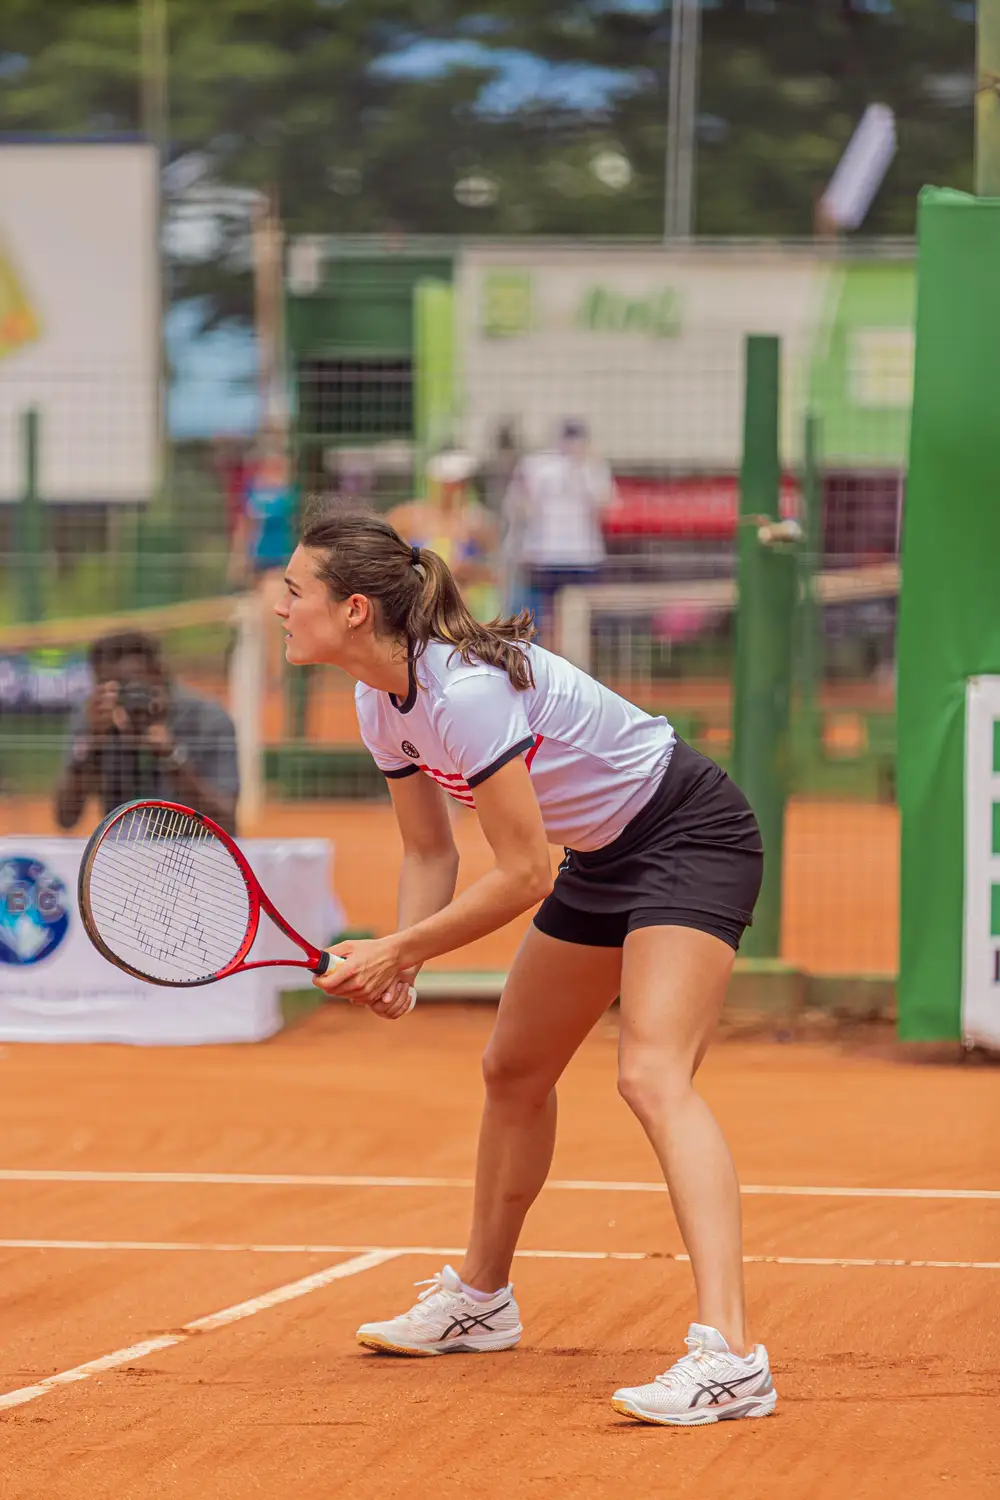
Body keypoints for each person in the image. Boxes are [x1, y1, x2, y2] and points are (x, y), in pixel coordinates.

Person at [275, 510, 775, 1428]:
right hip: (605, 852)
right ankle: (481, 1299)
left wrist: (397, 949)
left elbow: (523, 871)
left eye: (293, 590)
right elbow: (431, 853)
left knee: (652, 1073)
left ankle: (732, 1355)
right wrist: (401, 962)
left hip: (688, 833)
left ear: (352, 610)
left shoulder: (462, 692)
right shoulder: (376, 699)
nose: (280, 605)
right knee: (513, 1069)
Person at [54, 631, 239, 835]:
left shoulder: (207, 719)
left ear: (159, 676)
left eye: (133, 688)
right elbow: (66, 818)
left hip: (197, 854)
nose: (128, 701)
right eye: (114, 690)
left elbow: (225, 822)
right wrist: (92, 745)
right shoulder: (96, 719)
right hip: (124, 856)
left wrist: (173, 758)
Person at [502, 418, 616, 641]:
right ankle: (534, 665)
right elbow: (518, 508)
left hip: (580, 557)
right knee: (536, 619)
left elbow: (604, 508)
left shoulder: (593, 467)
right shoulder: (537, 465)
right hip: (544, 555)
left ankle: (572, 667)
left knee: (576, 621)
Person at [385, 448, 499, 620]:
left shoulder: (477, 523)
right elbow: (383, 559)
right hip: (419, 608)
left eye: (459, 483)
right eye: (448, 483)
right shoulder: (408, 518)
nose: (453, 489)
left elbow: (495, 575)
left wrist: (469, 572)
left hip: (463, 613)